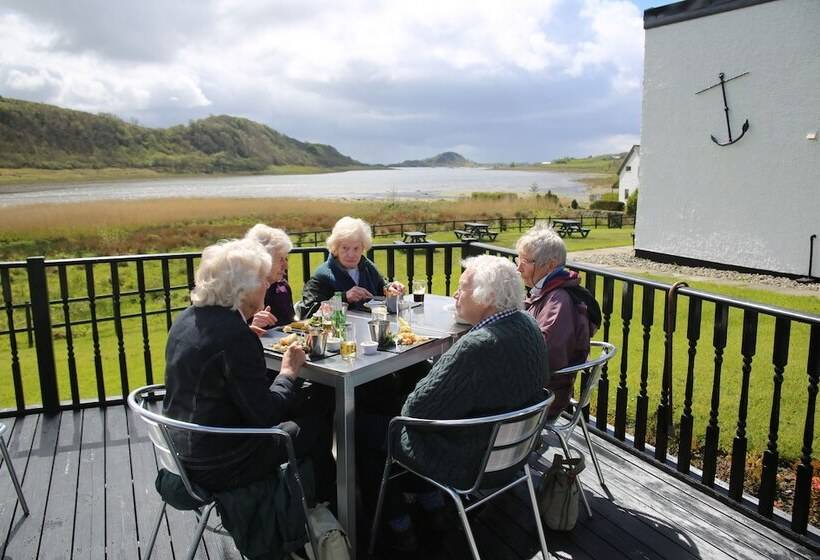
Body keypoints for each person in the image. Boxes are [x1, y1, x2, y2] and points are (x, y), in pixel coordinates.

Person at [362, 255, 549, 550]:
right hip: (510, 452)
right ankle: (432, 502)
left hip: (467, 457)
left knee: (360, 427)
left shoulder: (479, 346)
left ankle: (397, 524)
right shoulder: (527, 325)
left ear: (486, 297)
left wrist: (429, 377)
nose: (456, 294)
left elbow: (416, 411)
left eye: (463, 288)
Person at [162, 238, 335, 502]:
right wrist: (288, 371)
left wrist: (245, 333)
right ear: (241, 289)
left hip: (180, 450)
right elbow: (266, 416)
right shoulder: (234, 337)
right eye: (261, 279)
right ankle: (322, 514)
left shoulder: (187, 318)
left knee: (308, 404)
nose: (267, 284)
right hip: (220, 462)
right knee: (315, 424)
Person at [515, 224, 600, 416]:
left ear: (550, 265)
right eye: (518, 259)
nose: (518, 267)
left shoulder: (558, 300)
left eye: (525, 261)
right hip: (538, 390)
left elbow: (545, 357)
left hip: (541, 398)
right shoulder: (547, 292)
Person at [299, 216, 404, 317]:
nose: (351, 254)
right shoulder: (322, 276)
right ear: (335, 248)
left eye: (356, 248)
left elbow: (381, 290)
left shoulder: (368, 267)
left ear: (363, 248)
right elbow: (308, 312)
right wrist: (344, 298)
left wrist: (391, 289)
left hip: (370, 330)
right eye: (345, 248)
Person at [244, 223, 296, 333]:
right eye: (281, 259)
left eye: (286, 258)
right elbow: (230, 337)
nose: (286, 265)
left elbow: (291, 326)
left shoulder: (282, 287)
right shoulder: (244, 291)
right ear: (263, 259)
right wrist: (252, 327)